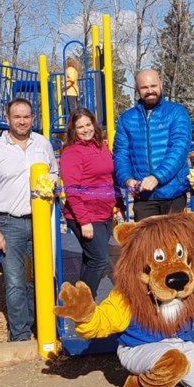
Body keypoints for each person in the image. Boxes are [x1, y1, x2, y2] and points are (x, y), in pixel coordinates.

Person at [0, 98, 58, 342]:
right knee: (14, 281)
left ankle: (42, 327)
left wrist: (51, 184)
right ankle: (20, 334)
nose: (22, 121)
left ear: (33, 118)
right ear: (8, 119)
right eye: (17, 117)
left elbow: (53, 172)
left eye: (26, 116)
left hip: (40, 220)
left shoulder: (42, 144)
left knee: (43, 277)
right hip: (8, 222)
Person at [60, 108, 124, 298]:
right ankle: (86, 301)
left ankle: (81, 297)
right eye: (80, 127)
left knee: (91, 258)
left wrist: (119, 206)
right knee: (100, 259)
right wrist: (84, 221)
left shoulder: (102, 147)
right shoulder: (71, 153)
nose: (86, 129)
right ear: (73, 130)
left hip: (104, 212)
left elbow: (111, 179)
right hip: (84, 214)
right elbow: (72, 190)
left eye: (88, 124)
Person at [113, 68, 192, 221]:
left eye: (153, 86)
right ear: (137, 90)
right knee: (146, 243)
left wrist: (157, 177)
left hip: (173, 192)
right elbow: (121, 153)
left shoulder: (177, 113)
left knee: (174, 243)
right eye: (144, 88)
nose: (150, 91)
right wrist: (127, 179)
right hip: (144, 196)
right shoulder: (127, 118)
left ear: (161, 85)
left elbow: (179, 149)